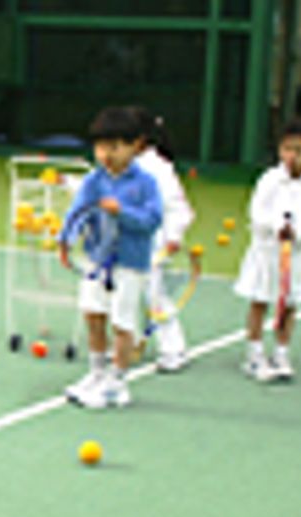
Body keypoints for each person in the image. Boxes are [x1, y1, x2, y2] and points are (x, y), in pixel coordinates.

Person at [58, 107, 163, 409]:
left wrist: (122, 212)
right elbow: (78, 212)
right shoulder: (93, 181)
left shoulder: (146, 183)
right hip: (96, 260)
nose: (106, 154)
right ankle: (96, 374)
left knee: (122, 323)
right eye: (101, 147)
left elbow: (151, 221)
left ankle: (117, 383)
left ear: (135, 147)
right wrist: (66, 240)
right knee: (93, 316)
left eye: (115, 147)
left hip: (130, 264)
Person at [234, 118, 301, 381]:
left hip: (297, 257)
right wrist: (277, 227)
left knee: (289, 305)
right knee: (260, 301)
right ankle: (254, 355)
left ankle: (281, 352)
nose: (291, 156)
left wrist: (298, 233)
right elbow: (256, 213)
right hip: (266, 253)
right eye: (286, 149)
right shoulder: (270, 179)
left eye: (298, 150)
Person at [129, 106, 196, 372]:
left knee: (154, 296)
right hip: (130, 241)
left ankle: (174, 350)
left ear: (141, 139)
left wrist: (173, 236)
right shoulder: (125, 163)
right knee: (124, 292)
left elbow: (179, 207)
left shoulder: (159, 168)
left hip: (154, 243)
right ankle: (129, 342)